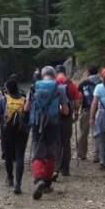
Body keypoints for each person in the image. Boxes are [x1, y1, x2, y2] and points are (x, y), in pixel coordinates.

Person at [25, 66, 69, 200]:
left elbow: (26, 108)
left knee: (37, 154)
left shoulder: (34, 87)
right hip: (53, 123)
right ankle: (47, 183)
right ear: (54, 75)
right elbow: (66, 111)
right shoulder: (59, 88)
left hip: (38, 123)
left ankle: (39, 179)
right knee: (51, 154)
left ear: (42, 75)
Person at [53, 65, 81, 180]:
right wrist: (76, 112)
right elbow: (77, 102)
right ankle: (66, 169)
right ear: (65, 73)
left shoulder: (52, 84)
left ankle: (55, 168)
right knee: (66, 143)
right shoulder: (71, 84)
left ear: (56, 73)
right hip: (67, 116)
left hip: (54, 116)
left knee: (56, 143)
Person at [2, 78, 30, 194]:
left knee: (8, 156)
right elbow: (28, 116)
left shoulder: (5, 99)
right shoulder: (24, 100)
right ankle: (18, 184)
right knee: (20, 157)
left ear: (8, 89)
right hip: (21, 131)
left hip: (7, 131)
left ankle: (10, 178)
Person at [76, 66, 101, 162]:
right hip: (99, 109)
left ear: (88, 73)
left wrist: (77, 110)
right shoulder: (101, 82)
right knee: (96, 132)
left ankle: (81, 154)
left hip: (87, 109)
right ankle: (96, 155)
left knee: (83, 132)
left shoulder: (83, 83)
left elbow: (80, 98)